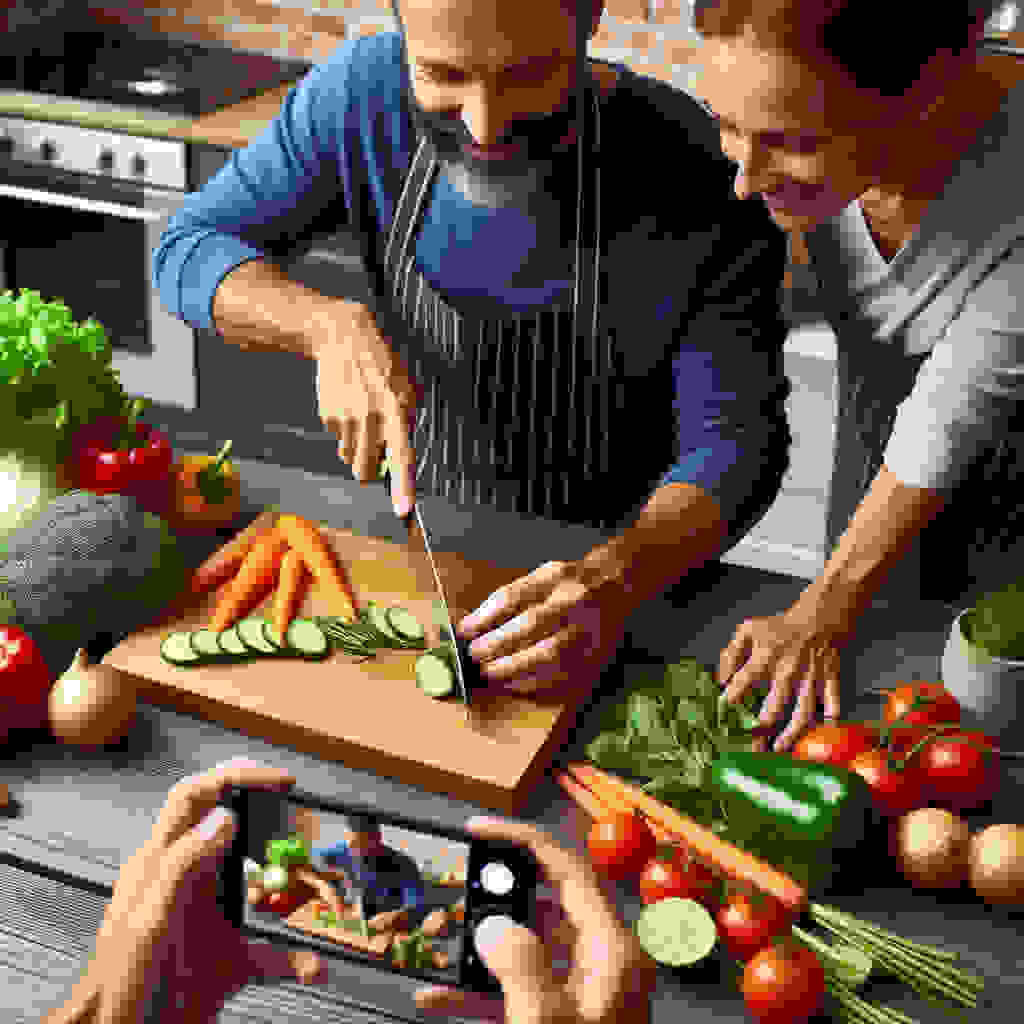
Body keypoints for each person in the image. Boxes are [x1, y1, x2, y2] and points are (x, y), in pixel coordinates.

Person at [153, 0, 794, 706]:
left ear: (590, 22)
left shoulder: (698, 170)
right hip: (422, 547)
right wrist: (323, 324)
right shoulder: (361, 98)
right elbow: (188, 248)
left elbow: (737, 448)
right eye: (443, 74)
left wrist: (615, 579)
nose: (485, 126)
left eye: (528, 76)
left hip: (623, 579)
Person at [693, 0, 1024, 751]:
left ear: (934, 82)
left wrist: (826, 606)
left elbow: (950, 416)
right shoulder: (812, 151)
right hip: (871, 503)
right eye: (729, 124)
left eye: (792, 142)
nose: (745, 177)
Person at [40, 757, 659, 1024]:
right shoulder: (336, 855)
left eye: (368, 843)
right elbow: (320, 875)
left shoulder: (394, 862)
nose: (361, 848)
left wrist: (421, 916)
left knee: (419, 929)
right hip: (351, 918)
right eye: (357, 843)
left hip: (396, 920)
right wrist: (331, 894)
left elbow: (416, 898)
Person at [310, 812, 426, 921]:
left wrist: (392, 917)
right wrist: (321, 885)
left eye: (359, 844)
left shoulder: (404, 865)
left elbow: (417, 908)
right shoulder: (345, 850)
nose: (353, 851)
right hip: (350, 921)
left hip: (385, 929)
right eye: (350, 844)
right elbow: (306, 862)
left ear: (377, 838)